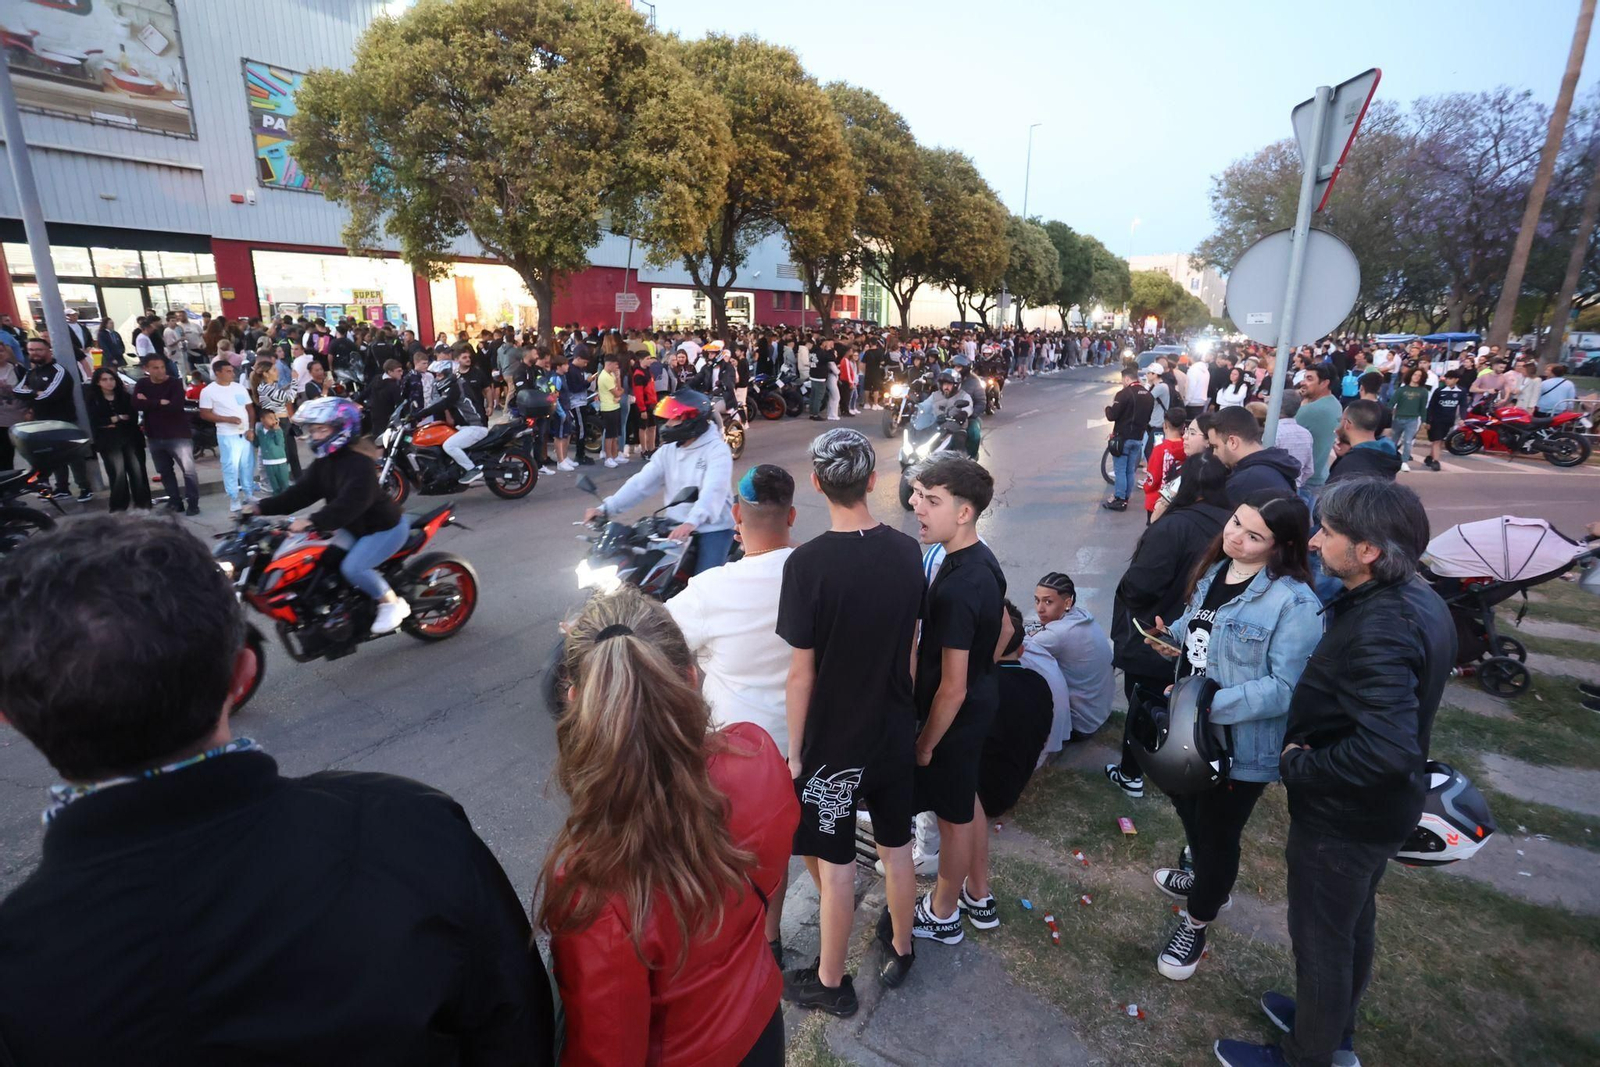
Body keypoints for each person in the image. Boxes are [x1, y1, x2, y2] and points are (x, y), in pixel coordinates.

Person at [0, 514, 555, 1065]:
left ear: (10, 717)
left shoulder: (19, 966)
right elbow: (515, 1028)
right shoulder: (411, 827)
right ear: (242, 676)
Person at [1215, 480, 1454, 1067]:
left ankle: (1306, 1055)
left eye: (1330, 532)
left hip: (1345, 815)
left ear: (1369, 550)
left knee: (1321, 941)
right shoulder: (1411, 598)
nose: (1316, 541)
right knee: (1350, 926)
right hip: (1375, 812)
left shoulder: (1382, 624)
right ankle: (1331, 1024)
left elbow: (1386, 750)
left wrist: (1300, 765)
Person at [541, 588, 796, 1066]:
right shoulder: (757, 756)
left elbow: (607, 1052)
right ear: (691, 678)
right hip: (760, 1026)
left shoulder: (591, 880)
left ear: (576, 700)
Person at [1141, 492, 1321, 982]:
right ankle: (1202, 876)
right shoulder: (1219, 570)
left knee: (1218, 833)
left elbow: (1285, 688)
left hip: (1239, 745)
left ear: (1280, 546)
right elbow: (1200, 631)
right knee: (1189, 811)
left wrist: (1203, 705)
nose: (1235, 537)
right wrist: (1170, 638)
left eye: (1253, 535)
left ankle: (1197, 919)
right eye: (1235, 523)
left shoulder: (1294, 602)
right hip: (1191, 732)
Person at [780, 428, 923, 1015]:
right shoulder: (907, 550)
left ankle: (832, 982)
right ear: (872, 480)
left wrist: (794, 752)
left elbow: (800, 675)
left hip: (834, 741)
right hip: (893, 725)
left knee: (835, 862)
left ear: (816, 484)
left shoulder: (808, 564)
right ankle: (903, 945)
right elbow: (911, 647)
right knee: (896, 844)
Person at [665, 462, 798, 960]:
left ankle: (723, 945)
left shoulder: (711, 590)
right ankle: (770, 938)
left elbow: (657, 640)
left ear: (737, 517)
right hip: (796, 750)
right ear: (791, 516)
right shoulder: (817, 573)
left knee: (717, 854)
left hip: (732, 755)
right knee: (776, 853)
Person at [905, 456, 1006, 947]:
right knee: (964, 801)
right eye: (918, 495)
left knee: (953, 818)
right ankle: (975, 892)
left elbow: (952, 686)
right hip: (977, 706)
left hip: (955, 718)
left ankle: (943, 911)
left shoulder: (959, 584)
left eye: (931, 500)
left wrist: (925, 744)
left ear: (964, 513)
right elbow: (1005, 630)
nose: (915, 506)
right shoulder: (978, 559)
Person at [1109, 452, 1234, 798]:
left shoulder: (1175, 526)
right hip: (1201, 639)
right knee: (1183, 708)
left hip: (1158, 634)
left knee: (1145, 703)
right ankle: (1177, 771)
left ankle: (1131, 773)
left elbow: (1140, 585)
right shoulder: (1234, 524)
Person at [251, 397, 413, 634]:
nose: (315, 435)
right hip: (352, 526)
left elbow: (351, 503)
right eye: (313, 430)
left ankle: (391, 603)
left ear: (341, 428)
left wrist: (312, 521)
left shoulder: (360, 464)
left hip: (382, 528)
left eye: (321, 429)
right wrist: (260, 508)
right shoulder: (325, 462)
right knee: (320, 557)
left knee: (353, 568)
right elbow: (300, 493)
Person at [584, 389, 736, 575]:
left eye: (674, 419)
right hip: (674, 528)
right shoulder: (668, 451)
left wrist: (692, 522)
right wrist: (606, 508)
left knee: (705, 584)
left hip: (712, 529)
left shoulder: (717, 450)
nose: (668, 424)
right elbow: (641, 484)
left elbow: (714, 490)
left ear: (692, 420)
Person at [1028, 571, 1114, 742]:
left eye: (1048, 602)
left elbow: (1016, 650)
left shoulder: (1058, 633)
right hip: (1099, 712)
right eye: (1037, 600)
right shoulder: (1081, 616)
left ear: (1067, 602)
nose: (1040, 609)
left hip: (1081, 725)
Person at [15, 336, 94, 502]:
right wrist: (35, 393)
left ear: (48, 351)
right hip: (42, 424)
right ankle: (62, 488)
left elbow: (49, 395)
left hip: (63, 422)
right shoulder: (31, 372)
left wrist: (33, 394)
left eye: (39, 349)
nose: (34, 353)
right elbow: (17, 391)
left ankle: (84, 487)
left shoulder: (59, 371)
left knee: (73, 456)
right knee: (54, 457)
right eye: (31, 350)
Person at [131, 355, 199, 515]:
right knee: (165, 471)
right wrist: (159, 402)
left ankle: (193, 503)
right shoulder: (142, 384)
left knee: (188, 471)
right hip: (154, 436)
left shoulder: (174, 383)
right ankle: (175, 502)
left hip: (178, 435)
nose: (160, 371)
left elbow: (175, 406)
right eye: (155, 368)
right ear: (146, 369)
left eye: (162, 367)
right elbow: (136, 404)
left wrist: (149, 402)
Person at [84, 367, 151, 512]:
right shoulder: (93, 399)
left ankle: (143, 504)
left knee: (137, 471)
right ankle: (119, 507)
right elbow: (96, 421)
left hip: (130, 437)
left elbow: (131, 418)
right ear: (97, 382)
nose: (109, 383)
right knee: (117, 473)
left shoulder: (124, 396)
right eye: (104, 380)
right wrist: (117, 418)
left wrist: (113, 420)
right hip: (109, 441)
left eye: (111, 379)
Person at [410, 359, 488, 482]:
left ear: (447, 374)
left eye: (439, 375)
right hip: (464, 427)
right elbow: (437, 402)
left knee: (449, 445)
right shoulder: (452, 386)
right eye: (436, 375)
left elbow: (442, 403)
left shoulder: (456, 387)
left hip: (475, 427)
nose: (436, 378)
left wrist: (420, 414)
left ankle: (472, 470)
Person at [1207, 406, 1300, 506]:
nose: (1214, 454)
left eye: (1216, 446)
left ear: (1233, 442)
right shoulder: (1273, 467)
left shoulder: (1243, 483)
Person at [198, 358, 257, 512]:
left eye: (232, 371)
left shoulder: (239, 388)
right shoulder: (208, 391)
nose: (232, 374)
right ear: (218, 373)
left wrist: (251, 428)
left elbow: (249, 409)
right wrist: (226, 419)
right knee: (230, 466)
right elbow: (205, 414)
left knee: (247, 465)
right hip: (227, 434)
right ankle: (234, 498)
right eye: (228, 371)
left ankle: (249, 494)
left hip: (244, 433)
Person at [1104, 365, 1155, 511]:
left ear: (1127, 378)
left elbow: (1112, 415)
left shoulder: (1124, 394)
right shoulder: (1148, 394)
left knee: (1120, 470)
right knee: (1130, 470)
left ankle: (1119, 499)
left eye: (1122, 380)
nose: (1122, 383)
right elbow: (1148, 417)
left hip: (1123, 438)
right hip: (1138, 437)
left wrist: (1107, 408)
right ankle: (1126, 497)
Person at [1295, 365, 1343, 505]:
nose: (1303, 382)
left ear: (1324, 383)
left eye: (1309, 378)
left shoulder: (1311, 410)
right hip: (1319, 475)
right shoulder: (1335, 403)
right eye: (1304, 378)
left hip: (1304, 480)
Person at [1326, 400, 1401, 484]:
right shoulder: (1387, 454)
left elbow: (1331, 492)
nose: (1338, 427)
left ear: (1347, 424)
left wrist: (1344, 460)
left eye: (1340, 420)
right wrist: (1343, 456)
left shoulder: (1350, 465)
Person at [1141, 408, 1188, 520]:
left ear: (1165, 425)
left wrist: (1146, 486)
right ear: (1183, 426)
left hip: (1158, 501)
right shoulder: (1187, 447)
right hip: (1179, 500)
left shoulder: (1160, 450)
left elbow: (1153, 479)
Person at [1387, 366, 1430, 471]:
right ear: (1410, 375)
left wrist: (1424, 421)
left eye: (1419, 376)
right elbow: (1391, 403)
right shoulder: (1401, 390)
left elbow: (1423, 408)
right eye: (1415, 374)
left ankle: (1404, 462)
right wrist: (1387, 416)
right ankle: (1390, 460)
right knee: (1393, 441)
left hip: (1412, 420)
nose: (1416, 377)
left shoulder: (1423, 392)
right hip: (1398, 419)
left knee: (1407, 441)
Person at [1423, 367, 1466, 471]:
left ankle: (1430, 457)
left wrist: (1462, 418)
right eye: (1446, 378)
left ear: (1456, 379)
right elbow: (1431, 406)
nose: (1447, 380)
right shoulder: (1439, 391)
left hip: (1448, 420)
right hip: (1436, 419)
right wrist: (1428, 420)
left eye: (1450, 378)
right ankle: (1436, 461)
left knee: (1439, 440)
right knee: (1437, 440)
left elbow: (1463, 405)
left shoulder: (1461, 391)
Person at [1272, 390, 1314, 489]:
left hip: (1273, 488)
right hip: (1295, 488)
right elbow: (1309, 470)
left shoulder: (1273, 432)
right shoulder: (1306, 434)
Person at [596, 351, 626, 467]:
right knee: (609, 434)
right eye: (615, 365)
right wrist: (620, 393)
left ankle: (615, 455)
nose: (617, 367)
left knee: (615, 434)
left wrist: (618, 377)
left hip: (615, 406)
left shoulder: (611, 375)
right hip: (608, 408)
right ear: (609, 364)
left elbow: (619, 388)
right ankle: (608, 457)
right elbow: (618, 393)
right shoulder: (604, 377)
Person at [256, 409, 292, 494]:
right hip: (268, 462)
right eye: (270, 418)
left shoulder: (278, 431)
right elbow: (257, 443)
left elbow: (280, 443)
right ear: (262, 420)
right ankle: (277, 502)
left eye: (275, 418)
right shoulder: (260, 431)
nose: (274, 420)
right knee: (274, 486)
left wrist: (277, 431)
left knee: (284, 484)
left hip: (280, 461)